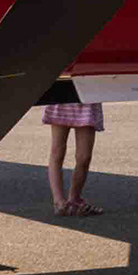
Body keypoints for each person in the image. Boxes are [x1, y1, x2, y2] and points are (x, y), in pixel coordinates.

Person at [37, 78, 103, 217]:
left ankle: (75, 199)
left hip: (86, 93)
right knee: (57, 151)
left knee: (84, 157)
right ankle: (59, 201)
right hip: (62, 90)